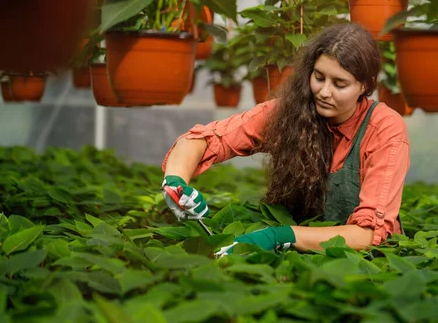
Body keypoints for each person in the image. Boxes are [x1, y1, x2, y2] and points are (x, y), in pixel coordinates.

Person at [161, 23, 410, 256]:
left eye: (340, 84)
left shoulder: (384, 128)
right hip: (295, 257)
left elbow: (368, 235)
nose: (324, 92)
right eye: (319, 77)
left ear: (366, 86)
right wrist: (175, 181)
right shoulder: (290, 112)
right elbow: (203, 140)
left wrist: (281, 235)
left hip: (367, 262)